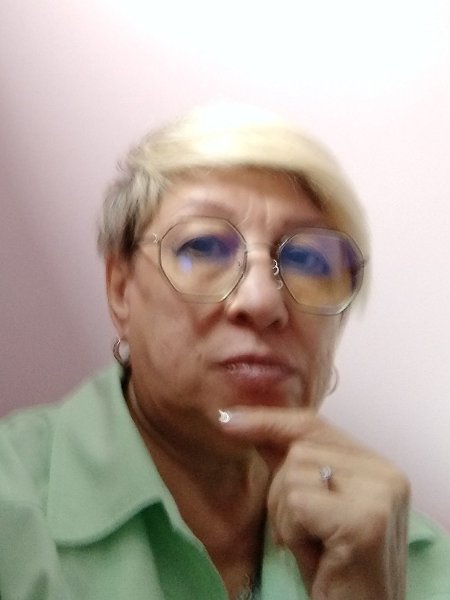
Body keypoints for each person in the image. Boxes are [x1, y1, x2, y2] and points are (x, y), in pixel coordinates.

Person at [0, 103, 449, 600]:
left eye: (308, 260)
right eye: (203, 248)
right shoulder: (12, 504)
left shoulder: (408, 559)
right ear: (120, 289)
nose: (262, 302)